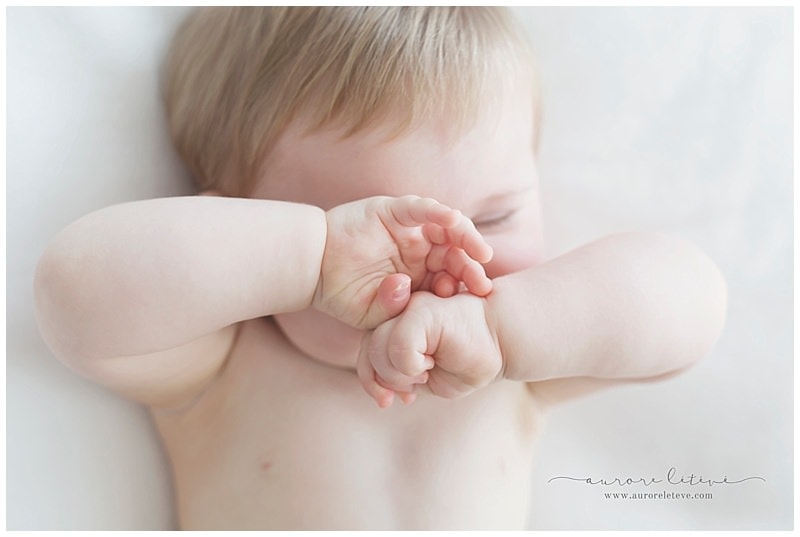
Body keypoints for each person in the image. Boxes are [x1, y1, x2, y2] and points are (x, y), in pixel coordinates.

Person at [33, 7, 727, 530]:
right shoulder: (223, 365)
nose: (437, 271)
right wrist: (313, 260)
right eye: (352, 223)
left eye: (491, 220)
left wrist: (508, 327)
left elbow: (693, 302)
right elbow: (75, 291)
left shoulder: (514, 366)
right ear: (229, 212)